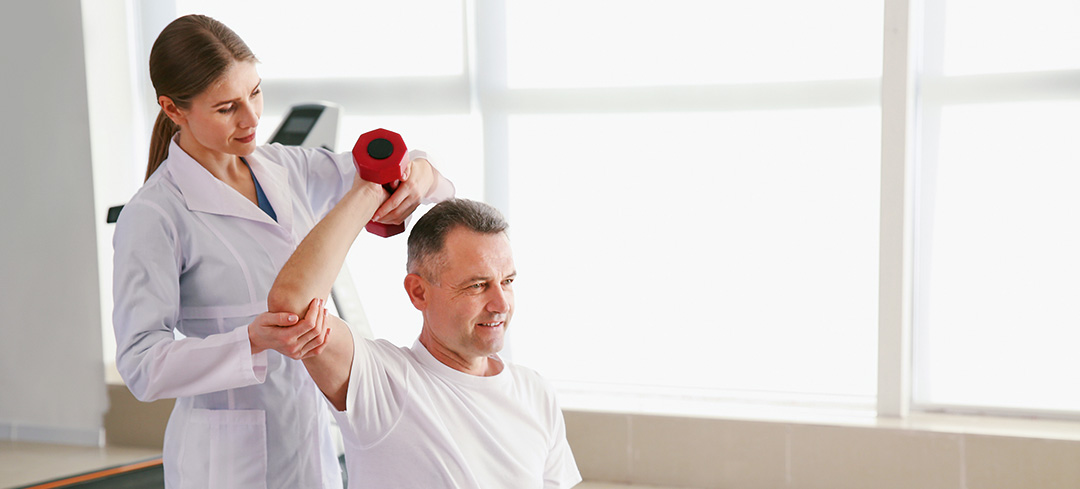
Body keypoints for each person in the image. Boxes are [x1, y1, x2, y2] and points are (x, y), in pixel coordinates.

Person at [111, 14, 454, 489]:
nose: (252, 119)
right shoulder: (154, 214)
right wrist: (250, 340)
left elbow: (406, 168)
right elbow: (141, 365)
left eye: (255, 92)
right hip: (227, 463)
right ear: (173, 109)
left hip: (310, 441)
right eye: (227, 107)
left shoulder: (282, 167)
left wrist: (421, 175)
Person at [266, 194, 582, 488]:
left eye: (507, 281)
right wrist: (371, 189)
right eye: (477, 286)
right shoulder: (381, 383)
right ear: (419, 292)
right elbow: (293, 303)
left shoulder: (535, 392)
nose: (501, 304)